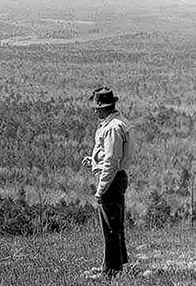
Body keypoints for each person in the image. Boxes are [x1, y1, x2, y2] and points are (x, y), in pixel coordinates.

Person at [80, 87, 132, 280]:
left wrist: (101, 189)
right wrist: (94, 161)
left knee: (110, 227)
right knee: (115, 225)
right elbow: (109, 156)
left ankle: (110, 271)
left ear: (104, 108)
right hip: (115, 177)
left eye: (97, 107)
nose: (95, 110)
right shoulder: (117, 123)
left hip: (110, 179)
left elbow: (111, 160)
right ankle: (116, 265)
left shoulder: (111, 128)